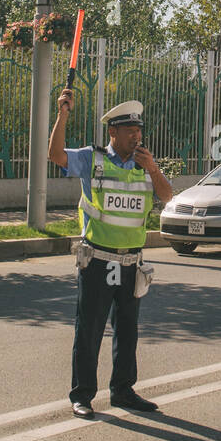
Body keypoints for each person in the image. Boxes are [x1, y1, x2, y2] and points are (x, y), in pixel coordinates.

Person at [49, 89, 174, 419]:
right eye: (130, 131)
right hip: (99, 261)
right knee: (89, 330)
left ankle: (123, 391)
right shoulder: (94, 159)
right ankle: (82, 395)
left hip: (131, 262)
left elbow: (167, 197)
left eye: (139, 131)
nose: (137, 137)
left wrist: (154, 170)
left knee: (127, 330)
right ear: (113, 133)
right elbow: (57, 155)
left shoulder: (145, 166)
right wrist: (63, 114)